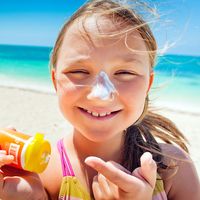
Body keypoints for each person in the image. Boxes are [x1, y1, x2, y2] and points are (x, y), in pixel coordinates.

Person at [0, 0, 200, 199]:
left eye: (124, 72)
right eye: (79, 71)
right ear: (55, 81)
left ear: (147, 85)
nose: (100, 95)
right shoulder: (44, 173)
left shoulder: (173, 168)